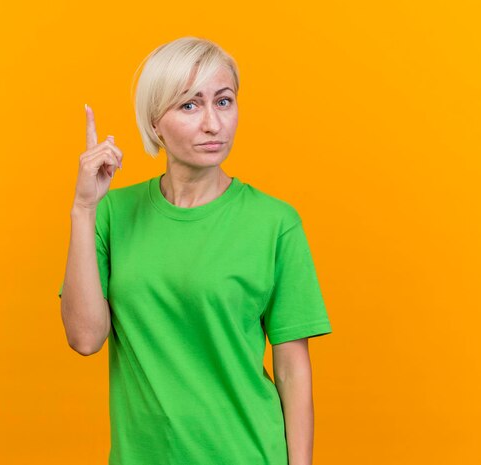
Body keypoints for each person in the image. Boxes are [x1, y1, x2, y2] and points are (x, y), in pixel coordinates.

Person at [58, 36, 332, 465]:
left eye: (224, 102)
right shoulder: (111, 213)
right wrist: (83, 208)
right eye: (189, 105)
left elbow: (292, 371)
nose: (213, 123)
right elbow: (86, 338)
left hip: (247, 453)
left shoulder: (275, 223)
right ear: (154, 123)